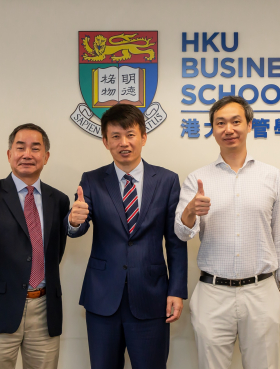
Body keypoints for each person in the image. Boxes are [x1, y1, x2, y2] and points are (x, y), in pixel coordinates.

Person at [174, 95, 280, 369]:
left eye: (235, 121)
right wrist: (191, 210)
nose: (228, 129)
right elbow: (182, 234)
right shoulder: (197, 179)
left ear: (249, 125)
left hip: (262, 290)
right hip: (213, 293)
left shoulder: (271, 176)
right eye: (220, 123)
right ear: (213, 129)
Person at [66, 104, 188, 369]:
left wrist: (177, 290)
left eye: (130, 135)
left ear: (143, 137)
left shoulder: (167, 180)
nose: (124, 142)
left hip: (152, 295)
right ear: (105, 141)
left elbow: (176, 241)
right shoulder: (92, 180)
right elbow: (79, 225)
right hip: (102, 297)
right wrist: (74, 222)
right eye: (116, 136)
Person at [0, 123, 70, 369]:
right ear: (9, 154)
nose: (27, 154)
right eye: (20, 148)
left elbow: (57, 251)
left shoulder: (59, 200)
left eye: (35, 148)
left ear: (46, 157)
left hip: (44, 309)